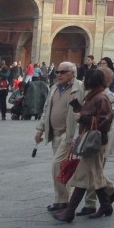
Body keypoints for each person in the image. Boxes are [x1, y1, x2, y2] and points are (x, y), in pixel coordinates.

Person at [53, 66, 114, 222]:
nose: (84, 82)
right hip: (90, 142)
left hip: (94, 143)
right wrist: (78, 109)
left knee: (81, 177)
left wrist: (82, 118)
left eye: (86, 79)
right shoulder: (93, 96)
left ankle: (70, 212)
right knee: (97, 176)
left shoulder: (100, 98)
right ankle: (106, 205)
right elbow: (91, 114)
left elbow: (104, 121)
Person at [35, 62, 83, 213]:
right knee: (63, 167)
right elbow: (46, 110)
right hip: (54, 133)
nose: (59, 75)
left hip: (69, 134)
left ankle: (62, 200)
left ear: (72, 73)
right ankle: (64, 198)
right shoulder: (54, 88)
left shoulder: (80, 87)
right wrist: (40, 129)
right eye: (57, 72)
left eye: (63, 72)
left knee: (57, 165)